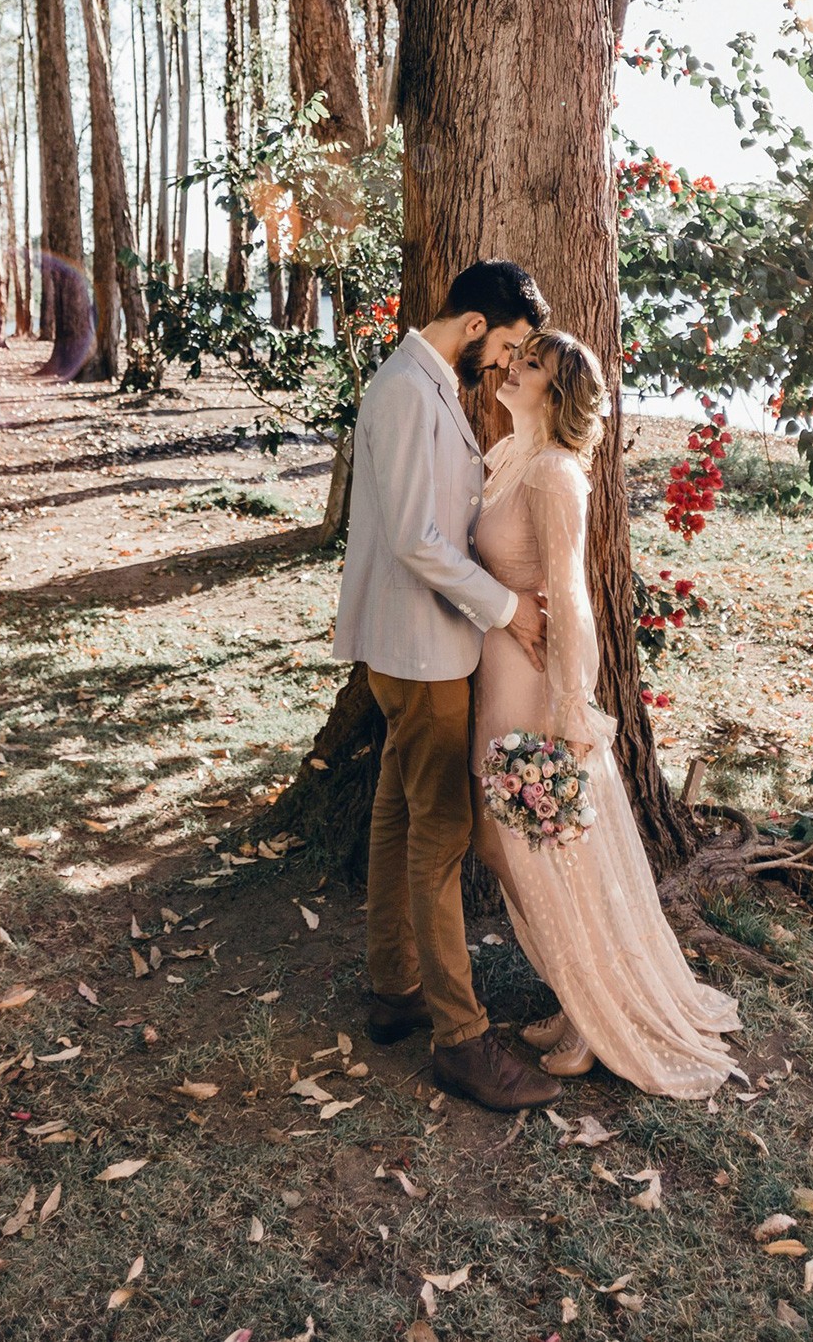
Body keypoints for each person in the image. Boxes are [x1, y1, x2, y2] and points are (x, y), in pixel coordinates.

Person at [472, 328, 740, 1097]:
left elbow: (571, 592)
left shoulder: (555, 473)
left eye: (531, 366)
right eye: (519, 356)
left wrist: (569, 702)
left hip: (533, 689)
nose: (513, 367)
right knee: (504, 847)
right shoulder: (509, 456)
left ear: (557, 395)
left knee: (550, 856)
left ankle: (595, 1015)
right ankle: (575, 993)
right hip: (495, 678)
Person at [333, 259, 564, 1112]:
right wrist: (507, 607)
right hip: (422, 650)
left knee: (399, 813)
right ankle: (461, 1040)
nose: (503, 364)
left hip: (416, 644)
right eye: (504, 346)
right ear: (475, 326)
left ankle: (393, 990)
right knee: (443, 833)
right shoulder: (405, 391)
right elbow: (416, 540)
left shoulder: (426, 382)